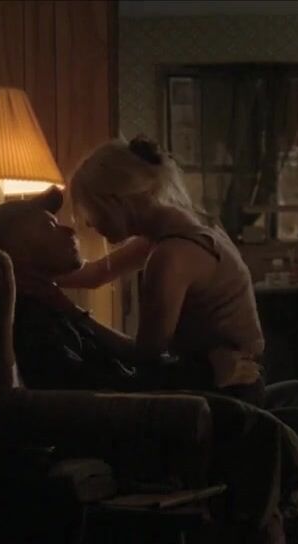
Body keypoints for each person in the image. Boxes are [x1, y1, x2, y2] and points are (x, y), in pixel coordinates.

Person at [0, 187, 298, 544]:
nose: (70, 229)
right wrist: (206, 370)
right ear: (20, 253)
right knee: (295, 422)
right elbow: (108, 396)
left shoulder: (58, 306)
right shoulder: (34, 324)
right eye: (51, 226)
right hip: (153, 427)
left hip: (165, 396)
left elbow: (131, 362)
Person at [64, 136, 268, 405]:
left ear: (116, 201)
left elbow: (145, 356)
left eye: (90, 210)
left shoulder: (171, 255)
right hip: (235, 384)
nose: (90, 224)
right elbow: (96, 274)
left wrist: (73, 314)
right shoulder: (185, 229)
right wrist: (27, 271)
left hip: (225, 396)